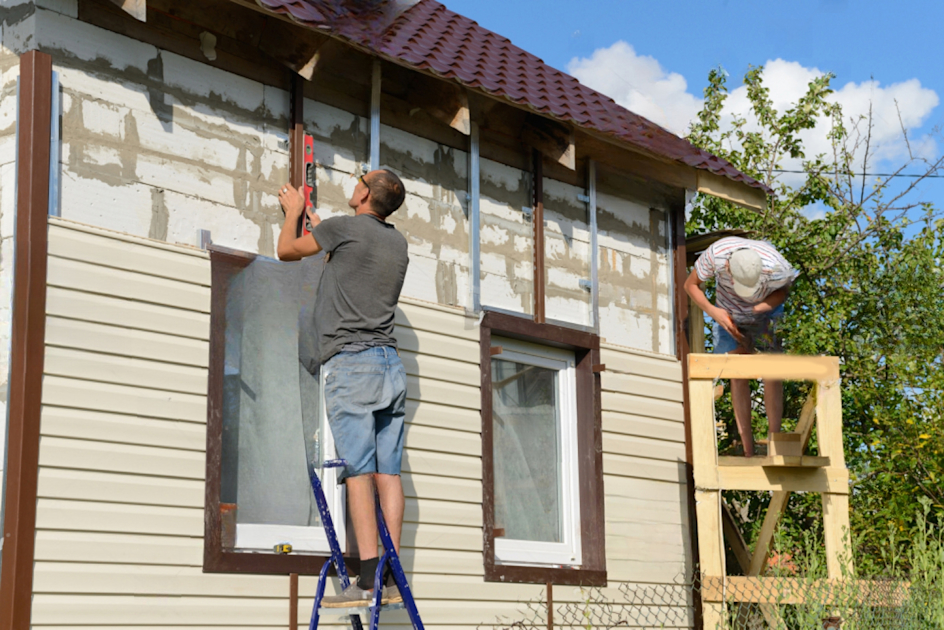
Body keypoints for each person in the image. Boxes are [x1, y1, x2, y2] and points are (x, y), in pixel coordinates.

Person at [277, 169, 410, 607]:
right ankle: (388, 575)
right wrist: (319, 221)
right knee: (388, 473)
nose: (355, 182)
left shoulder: (342, 229)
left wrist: (295, 213)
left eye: (361, 179)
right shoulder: (396, 243)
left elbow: (287, 251)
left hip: (351, 365)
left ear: (365, 193)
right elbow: (344, 254)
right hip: (391, 368)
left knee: (358, 473)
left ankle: (367, 580)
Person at [683, 237, 797, 457]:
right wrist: (713, 312)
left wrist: (758, 313)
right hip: (727, 313)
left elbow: (783, 292)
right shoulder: (716, 255)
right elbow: (691, 285)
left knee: (771, 367)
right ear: (727, 267)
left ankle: (775, 444)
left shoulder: (776, 265)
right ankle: (748, 450)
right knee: (736, 369)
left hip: (765, 311)